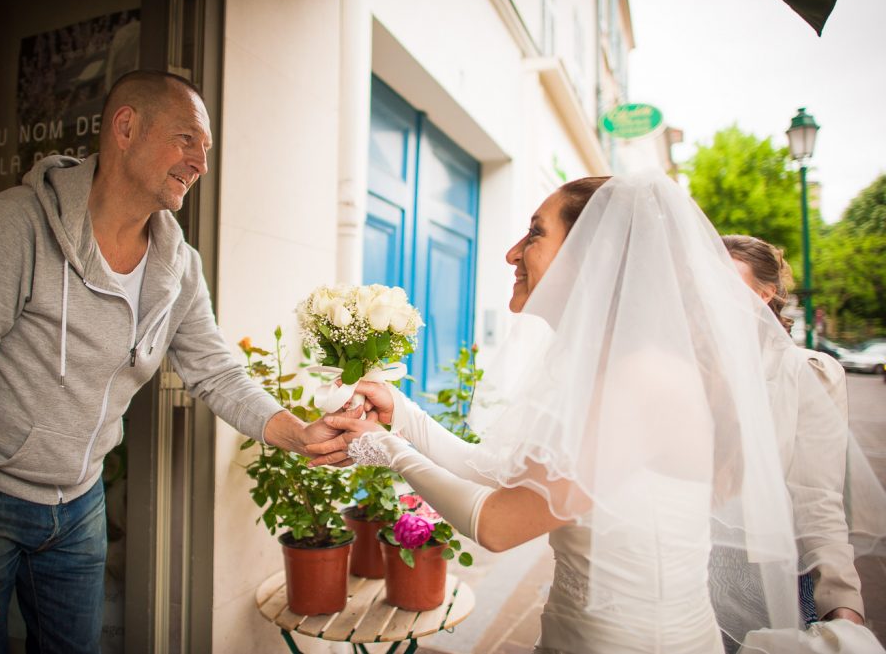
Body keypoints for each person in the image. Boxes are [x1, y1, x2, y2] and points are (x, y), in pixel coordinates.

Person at [310, 173, 880, 653]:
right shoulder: (606, 367)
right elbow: (500, 472)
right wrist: (403, 416)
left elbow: (501, 524)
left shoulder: (645, 377)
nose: (513, 252)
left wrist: (384, 448)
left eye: (535, 233)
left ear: (594, 257)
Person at [0, 70, 340, 653]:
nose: (199, 162)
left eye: (205, 150)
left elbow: (218, 371)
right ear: (126, 127)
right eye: (187, 139)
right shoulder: (13, 228)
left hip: (80, 506)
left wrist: (301, 435)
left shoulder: (177, 267)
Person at [710, 234, 863, 634]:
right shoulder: (674, 367)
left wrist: (843, 601)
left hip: (764, 574)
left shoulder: (808, 373)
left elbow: (818, 497)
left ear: (766, 294)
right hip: (676, 564)